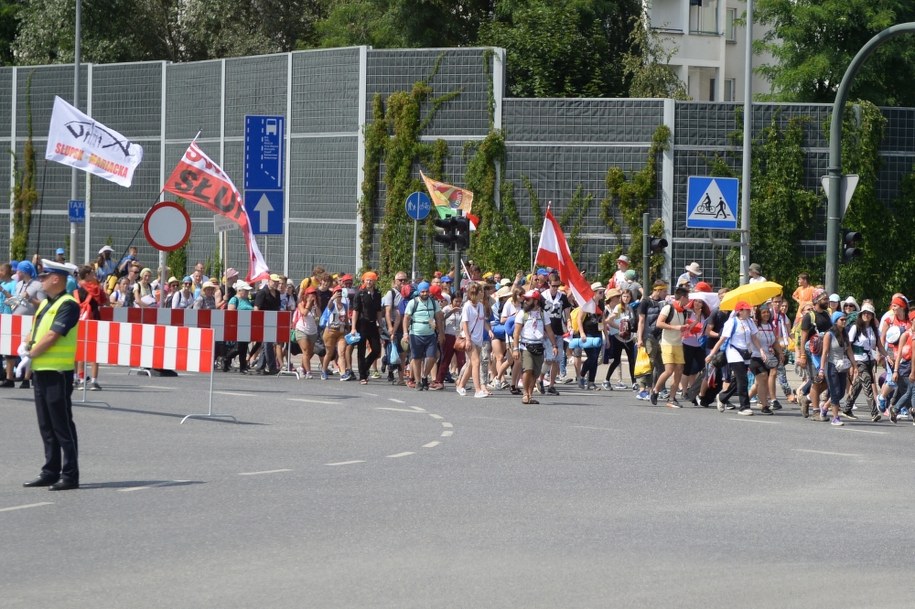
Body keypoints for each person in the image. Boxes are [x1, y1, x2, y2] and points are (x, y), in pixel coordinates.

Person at [21, 259, 81, 491]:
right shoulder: (47, 303)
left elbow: (53, 335)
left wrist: (30, 355)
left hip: (57, 372)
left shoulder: (68, 304)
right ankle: (50, 471)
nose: (41, 280)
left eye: (45, 277)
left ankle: (70, 475)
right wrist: (26, 347)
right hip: (41, 371)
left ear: (56, 278)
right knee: (46, 425)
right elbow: (36, 331)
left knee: (62, 426)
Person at [705, 300, 764, 416]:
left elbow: (754, 337)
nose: (748, 311)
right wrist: (711, 355)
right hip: (733, 352)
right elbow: (722, 340)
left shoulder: (750, 322)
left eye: (748, 309)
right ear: (739, 311)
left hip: (746, 352)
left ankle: (722, 397)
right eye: (746, 309)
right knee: (743, 379)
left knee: (738, 380)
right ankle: (744, 407)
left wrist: (761, 350)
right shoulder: (731, 322)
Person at [512, 289, 558, 405]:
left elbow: (549, 331)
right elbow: (516, 333)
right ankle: (525, 394)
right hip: (526, 346)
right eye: (525, 299)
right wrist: (515, 348)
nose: (525, 301)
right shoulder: (522, 314)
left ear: (536, 301)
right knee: (528, 369)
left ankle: (530, 394)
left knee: (535, 373)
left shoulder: (543, 314)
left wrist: (554, 345)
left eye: (528, 299)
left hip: (539, 345)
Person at [845, 302, 887, 421]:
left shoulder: (874, 329)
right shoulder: (855, 327)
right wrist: (852, 363)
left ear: (873, 316)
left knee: (857, 385)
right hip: (859, 360)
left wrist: (886, 356)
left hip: (870, 361)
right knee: (867, 382)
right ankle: (874, 412)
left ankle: (847, 408)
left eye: (869, 313)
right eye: (864, 313)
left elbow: (879, 345)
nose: (866, 315)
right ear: (861, 314)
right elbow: (848, 345)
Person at [649, 285, 690, 407]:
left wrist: (696, 320)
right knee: (669, 370)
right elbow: (659, 323)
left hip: (678, 343)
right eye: (687, 297)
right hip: (667, 343)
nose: (688, 300)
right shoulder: (668, 308)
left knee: (679, 370)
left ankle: (672, 398)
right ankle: (655, 390)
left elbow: (684, 329)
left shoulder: (684, 312)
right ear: (682, 297)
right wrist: (675, 327)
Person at [818, 311, 857, 426]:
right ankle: (835, 418)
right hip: (831, 366)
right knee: (835, 392)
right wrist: (821, 369)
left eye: (845, 319)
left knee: (840, 393)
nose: (844, 321)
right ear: (835, 321)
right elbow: (824, 353)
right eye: (842, 320)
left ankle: (825, 407)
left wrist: (855, 365)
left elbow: (849, 350)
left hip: (842, 367)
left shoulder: (845, 334)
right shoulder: (829, 334)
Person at [403, 281, 444, 391]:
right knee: (416, 358)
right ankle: (418, 382)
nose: (425, 293)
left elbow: (439, 318)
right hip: (415, 334)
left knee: (432, 357)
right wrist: (405, 333)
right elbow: (406, 318)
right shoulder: (413, 302)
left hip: (430, 334)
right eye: (423, 292)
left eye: (426, 291)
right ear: (419, 292)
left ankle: (424, 376)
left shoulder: (433, 302)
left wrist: (441, 333)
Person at [73, 265, 108, 391]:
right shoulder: (95, 288)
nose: (94, 275)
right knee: (94, 352)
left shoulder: (76, 290)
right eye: (92, 273)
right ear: (87, 275)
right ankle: (94, 380)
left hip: (79, 321)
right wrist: (100, 285)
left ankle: (80, 379)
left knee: (80, 352)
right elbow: (104, 300)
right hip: (93, 320)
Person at [456, 282, 491, 398]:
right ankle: (478, 390)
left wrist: (489, 330)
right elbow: (465, 323)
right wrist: (468, 339)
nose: (482, 293)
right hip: (469, 338)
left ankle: (461, 385)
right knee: (476, 362)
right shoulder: (467, 306)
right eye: (480, 291)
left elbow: (483, 320)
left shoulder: (480, 305)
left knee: (471, 364)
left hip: (479, 338)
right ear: (474, 293)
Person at [636, 280, 669, 400]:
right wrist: (639, 338)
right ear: (658, 290)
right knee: (648, 363)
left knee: (661, 365)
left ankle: (656, 389)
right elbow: (641, 321)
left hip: (661, 337)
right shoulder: (645, 302)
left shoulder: (664, 303)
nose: (666, 293)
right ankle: (643, 390)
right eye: (664, 291)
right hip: (648, 336)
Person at [350, 271, 383, 385]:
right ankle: (362, 376)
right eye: (367, 280)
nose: (369, 282)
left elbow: (379, 311)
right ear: (364, 281)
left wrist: (381, 325)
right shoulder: (360, 294)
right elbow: (355, 311)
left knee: (377, 349)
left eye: (371, 280)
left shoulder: (378, 293)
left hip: (373, 324)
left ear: (374, 281)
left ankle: (365, 366)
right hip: (362, 324)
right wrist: (353, 328)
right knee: (361, 350)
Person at [253, 274, 282, 375]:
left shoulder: (277, 293)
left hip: (273, 321)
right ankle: (272, 367)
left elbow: (278, 308)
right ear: (269, 281)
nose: (276, 283)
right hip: (263, 322)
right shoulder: (262, 293)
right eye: (274, 281)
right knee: (267, 344)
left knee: (267, 344)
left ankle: (260, 366)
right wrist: (258, 322)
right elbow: (256, 308)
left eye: (277, 282)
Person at [227, 281, 254, 374]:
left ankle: (243, 367)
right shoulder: (234, 300)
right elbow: (230, 314)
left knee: (244, 347)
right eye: (245, 290)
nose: (247, 292)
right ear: (239, 290)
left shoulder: (247, 300)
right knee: (239, 348)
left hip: (247, 326)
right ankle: (226, 358)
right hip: (238, 326)